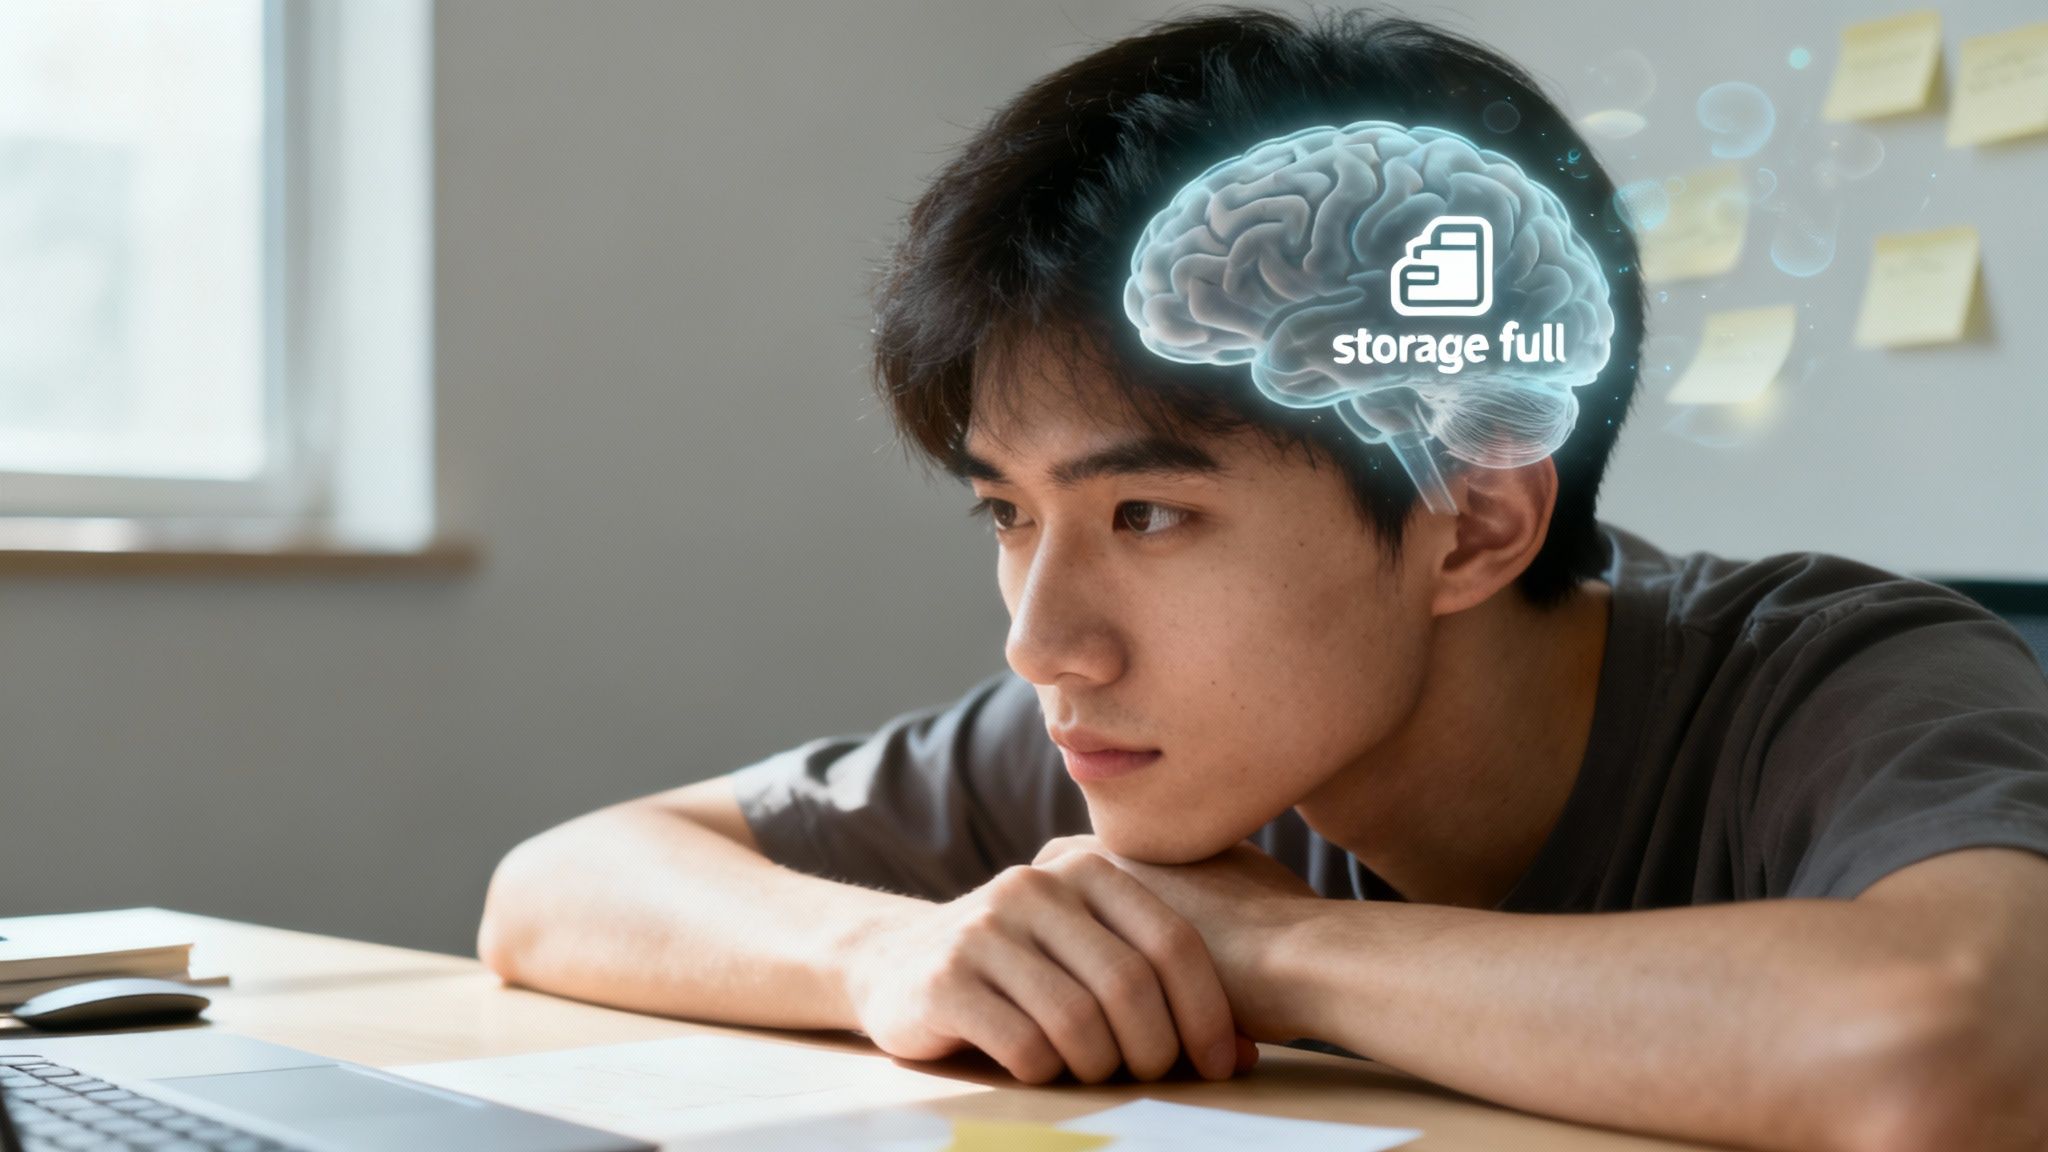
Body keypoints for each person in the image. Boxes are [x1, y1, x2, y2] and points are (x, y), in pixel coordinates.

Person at [477, 10, 2048, 1150]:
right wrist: (886, 952)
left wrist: (1272, 950)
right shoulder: (1152, 739)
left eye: (1147, 514)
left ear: (1476, 524)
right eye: (1007, 514)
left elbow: (1953, 1053)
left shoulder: (1851, 680)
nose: (1046, 641)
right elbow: (555, 889)